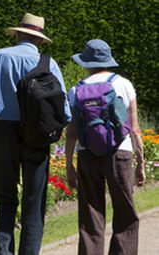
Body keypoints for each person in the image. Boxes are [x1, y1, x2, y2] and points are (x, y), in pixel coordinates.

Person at [0, 12, 71, 255]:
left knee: (5, 198)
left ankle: (4, 251)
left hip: (3, 133)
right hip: (37, 135)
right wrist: (49, 131)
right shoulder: (49, 64)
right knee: (34, 203)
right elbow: (65, 113)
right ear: (40, 40)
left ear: (16, 35)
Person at [65, 39, 146, 255]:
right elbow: (135, 129)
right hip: (120, 153)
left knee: (90, 214)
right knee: (125, 212)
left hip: (87, 155)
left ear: (86, 62)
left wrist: (68, 166)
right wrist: (141, 163)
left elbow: (71, 132)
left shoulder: (76, 90)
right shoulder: (124, 84)